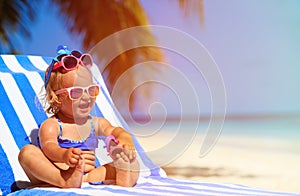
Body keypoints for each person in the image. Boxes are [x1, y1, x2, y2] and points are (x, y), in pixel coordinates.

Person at [18, 45, 140, 188]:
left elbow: (113, 131)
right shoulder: (53, 125)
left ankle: (122, 180)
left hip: (88, 176)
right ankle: (64, 180)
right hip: (57, 173)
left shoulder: (95, 123)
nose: (86, 97)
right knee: (27, 153)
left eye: (91, 90)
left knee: (132, 162)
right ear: (55, 98)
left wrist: (125, 139)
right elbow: (48, 147)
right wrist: (64, 155)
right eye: (76, 92)